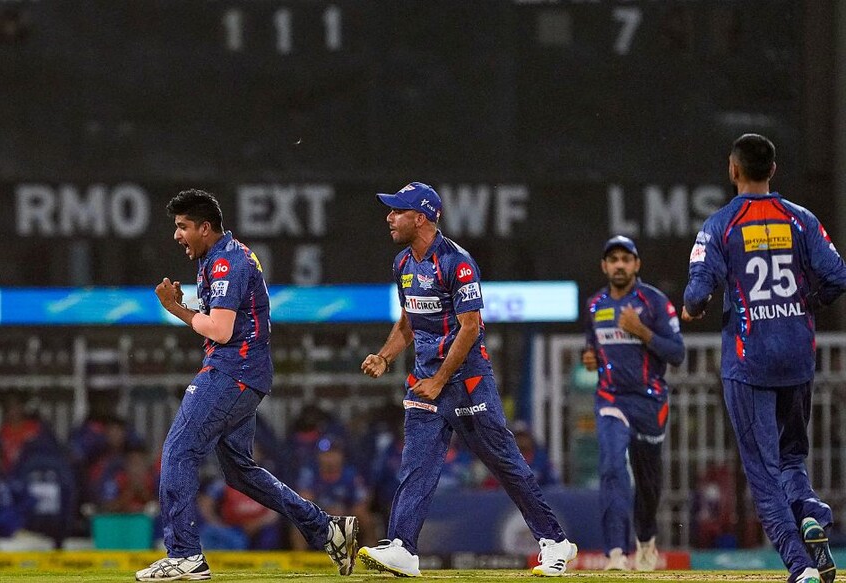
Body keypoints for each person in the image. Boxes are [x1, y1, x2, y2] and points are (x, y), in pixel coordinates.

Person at [358, 182, 576, 578]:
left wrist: (441, 379)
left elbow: (471, 327)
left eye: (397, 211)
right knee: (416, 464)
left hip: (466, 381)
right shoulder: (403, 263)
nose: (389, 217)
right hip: (426, 380)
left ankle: (555, 540)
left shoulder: (456, 263)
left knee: (504, 462)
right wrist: (384, 356)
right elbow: (408, 321)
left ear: (420, 218)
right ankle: (403, 548)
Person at [139, 188, 357, 581]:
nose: (177, 235)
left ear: (205, 228)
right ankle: (326, 528)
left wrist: (175, 309)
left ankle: (185, 555)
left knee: (178, 451)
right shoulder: (220, 256)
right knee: (240, 472)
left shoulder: (226, 261)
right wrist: (188, 308)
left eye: (183, 226)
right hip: (245, 375)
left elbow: (221, 331)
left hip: (231, 372)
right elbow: (227, 319)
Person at [684, 134, 846, 583]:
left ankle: (800, 566)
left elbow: (697, 291)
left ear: (733, 170)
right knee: (792, 458)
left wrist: (694, 307)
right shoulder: (800, 219)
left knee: (763, 474)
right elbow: (837, 277)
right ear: (773, 169)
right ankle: (810, 511)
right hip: (797, 356)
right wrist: (806, 303)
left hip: (749, 360)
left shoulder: (721, 224)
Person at [582, 236, 685, 571]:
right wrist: (590, 357)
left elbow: (678, 353)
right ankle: (615, 553)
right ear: (604, 266)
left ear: (636, 265)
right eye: (613, 259)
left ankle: (646, 539)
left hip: (649, 402)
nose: (620, 265)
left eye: (626, 259)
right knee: (612, 466)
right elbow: (592, 346)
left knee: (648, 482)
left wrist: (642, 331)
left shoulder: (654, 302)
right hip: (611, 398)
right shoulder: (595, 305)